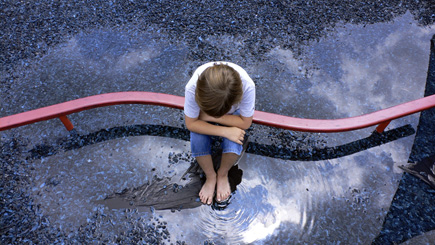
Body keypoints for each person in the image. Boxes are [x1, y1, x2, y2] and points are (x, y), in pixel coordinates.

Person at [184, 62, 256, 205]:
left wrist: (207, 117)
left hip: (210, 112)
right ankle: (211, 176)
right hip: (206, 109)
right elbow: (191, 124)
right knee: (197, 137)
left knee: (236, 139)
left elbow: (245, 122)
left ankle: (222, 174)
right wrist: (225, 130)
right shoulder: (193, 87)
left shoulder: (247, 86)